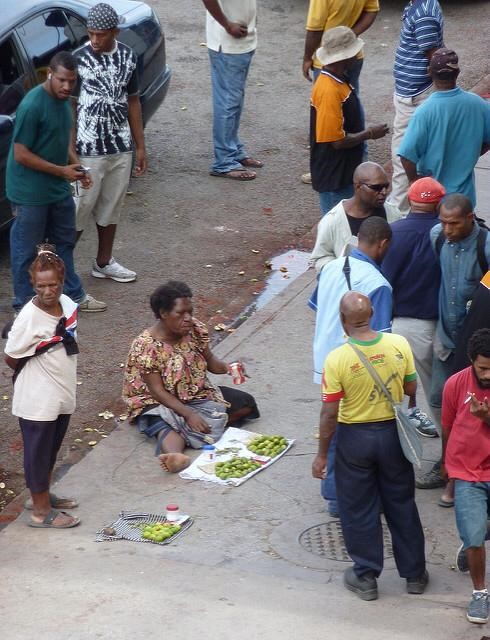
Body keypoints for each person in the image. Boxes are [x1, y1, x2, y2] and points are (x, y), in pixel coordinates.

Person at [312, 291, 427, 600]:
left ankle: (365, 576)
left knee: (359, 507)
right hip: (392, 434)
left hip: (355, 439)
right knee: (401, 502)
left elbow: (329, 412)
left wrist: (322, 454)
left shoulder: (337, 359)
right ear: (373, 314)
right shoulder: (398, 344)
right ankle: (415, 574)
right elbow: (411, 386)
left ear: (342, 321)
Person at [6, 51, 106, 315]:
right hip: (30, 193)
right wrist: (62, 171)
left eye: (72, 81)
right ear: (50, 74)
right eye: (62, 80)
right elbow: (21, 154)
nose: (67, 87)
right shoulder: (32, 106)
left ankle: (73, 295)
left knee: (64, 244)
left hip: (56, 188)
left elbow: (63, 140)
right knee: (26, 251)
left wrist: (77, 166)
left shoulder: (65, 101)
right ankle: (24, 307)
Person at [123, 281, 259, 472]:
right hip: (157, 401)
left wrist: (229, 368)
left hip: (196, 393)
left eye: (190, 312)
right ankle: (176, 455)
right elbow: (157, 391)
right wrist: (189, 414)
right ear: (163, 314)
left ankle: (189, 432)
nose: (188, 318)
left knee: (246, 404)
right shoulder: (145, 346)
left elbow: (211, 361)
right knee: (161, 420)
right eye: (180, 313)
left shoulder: (194, 330)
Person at [313, 217, 393, 517]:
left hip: (326, 360)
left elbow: (317, 308)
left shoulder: (331, 267)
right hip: (359, 366)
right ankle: (344, 496)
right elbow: (381, 339)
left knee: (331, 421)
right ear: (383, 244)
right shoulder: (378, 284)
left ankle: (335, 493)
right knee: (359, 429)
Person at [417, 194, 490, 498]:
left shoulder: (485, 245)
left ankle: (467, 471)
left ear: (470, 218)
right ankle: (451, 461)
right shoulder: (437, 238)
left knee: (474, 407)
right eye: (443, 222)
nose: (447, 229)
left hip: (478, 348)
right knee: (439, 399)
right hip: (448, 340)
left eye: (454, 223)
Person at [4, 245, 80, 529]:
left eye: (54, 285)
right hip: (38, 396)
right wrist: (40, 375)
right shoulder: (28, 317)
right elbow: (11, 356)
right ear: (32, 284)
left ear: (63, 281)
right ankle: (40, 512)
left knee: (51, 448)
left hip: (61, 390)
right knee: (37, 451)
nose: (48, 292)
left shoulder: (70, 306)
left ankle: (43, 495)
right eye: (40, 286)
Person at [73, 2, 147, 283]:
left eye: (100, 34)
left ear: (115, 31)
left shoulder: (128, 56)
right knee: (79, 207)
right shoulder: (78, 58)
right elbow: (71, 106)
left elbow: (133, 101)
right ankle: (61, 267)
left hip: (119, 147)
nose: (94, 40)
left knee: (111, 205)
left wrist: (140, 146)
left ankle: (103, 262)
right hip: (87, 150)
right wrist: (70, 152)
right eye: (90, 34)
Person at [382, 176, 446, 439]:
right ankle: (449, 442)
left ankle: (394, 434)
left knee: (396, 383)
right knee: (437, 388)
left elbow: (385, 281)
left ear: (410, 200)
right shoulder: (450, 231)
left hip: (403, 324)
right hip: (443, 324)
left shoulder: (394, 233)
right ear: (440, 203)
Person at [310, 27, 388, 215]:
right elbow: (337, 141)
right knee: (339, 226)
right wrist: (369, 134)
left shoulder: (338, 79)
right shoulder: (329, 90)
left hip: (343, 170)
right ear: (343, 58)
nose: (357, 56)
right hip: (335, 175)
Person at [398, 48, 490, 208]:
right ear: (458, 72)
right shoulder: (479, 105)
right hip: (464, 200)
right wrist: (474, 152)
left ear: (429, 72)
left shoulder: (424, 112)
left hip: (432, 201)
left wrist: (414, 180)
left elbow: (406, 155)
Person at [441, 328, 490, 624]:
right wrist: (446, 464)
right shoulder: (454, 385)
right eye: (483, 368)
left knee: (475, 529)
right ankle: (480, 592)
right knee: (473, 536)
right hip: (467, 471)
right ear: (472, 360)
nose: (488, 374)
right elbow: (446, 426)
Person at [386, 0, 444, 215]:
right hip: (412, 93)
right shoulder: (419, 5)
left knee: (403, 156)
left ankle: (398, 214)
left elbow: (434, 56)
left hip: (416, 95)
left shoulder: (424, 14)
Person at [202, 0, 262, 181]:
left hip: (242, 41)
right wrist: (227, 25)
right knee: (228, 103)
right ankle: (224, 161)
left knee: (234, 101)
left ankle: (233, 150)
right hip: (228, 42)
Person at [310, 161, 402, 272]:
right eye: (376, 188)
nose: (383, 192)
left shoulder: (393, 213)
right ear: (358, 187)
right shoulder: (332, 221)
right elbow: (319, 259)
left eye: (386, 186)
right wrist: (343, 269)